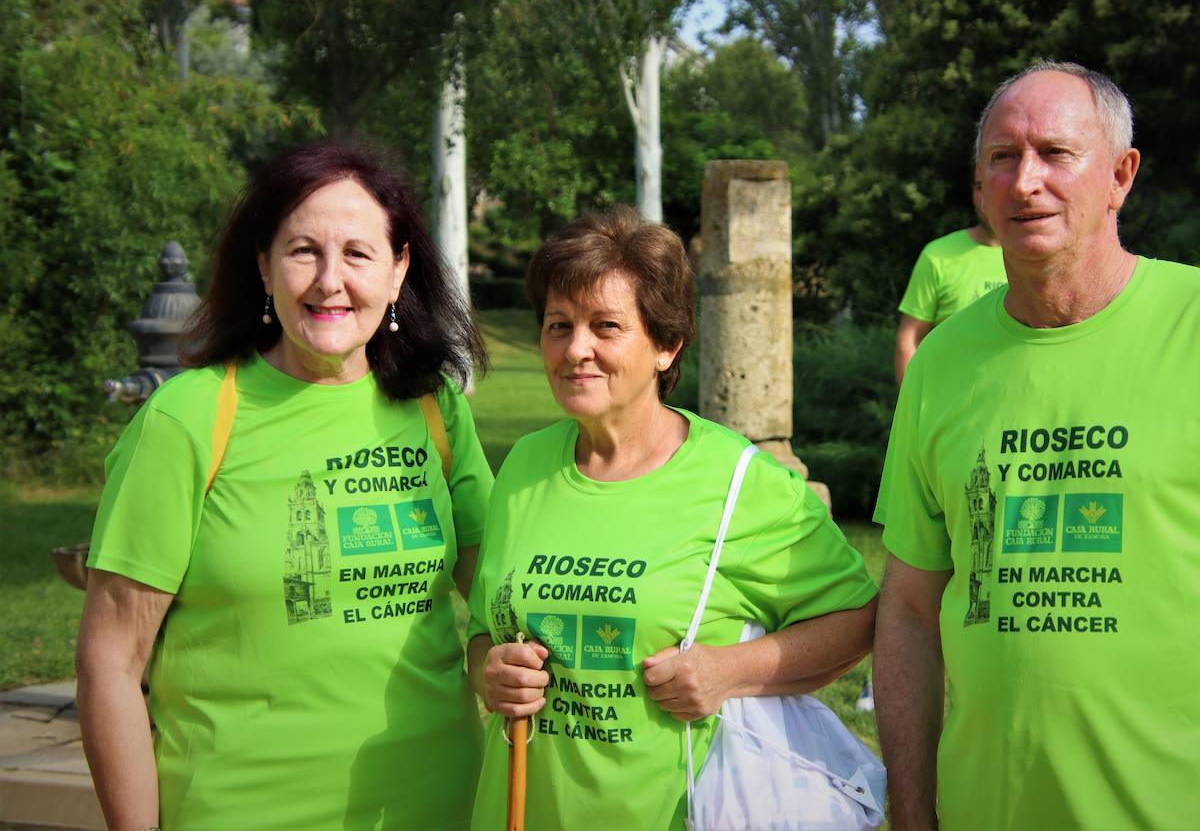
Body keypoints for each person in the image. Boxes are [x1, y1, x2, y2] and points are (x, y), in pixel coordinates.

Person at [873, 61, 1200, 830]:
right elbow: (908, 611)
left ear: (1120, 175)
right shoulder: (941, 362)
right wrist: (911, 815)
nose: (1025, 181)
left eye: (1054, 153)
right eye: (1002, 158)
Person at [76, 140, 494, 829]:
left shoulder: (434, 408)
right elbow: (109, 664)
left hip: (435, 808)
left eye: (358, 254)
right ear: (264, 267)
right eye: (304, 251)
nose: (331, 281)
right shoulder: (188, 418)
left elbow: (501, 593)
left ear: (399, 272)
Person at [465, 207, 878, 830]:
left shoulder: (738, 481)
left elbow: (857, 619)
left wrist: (727, 672)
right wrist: (488, 672)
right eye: (558, 325)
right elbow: (481, 632)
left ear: (666, 344)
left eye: (606, 326)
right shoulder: (524, 465)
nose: (577, 349)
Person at [892, 174, 1005, 384]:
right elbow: (910, 338)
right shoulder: (938, 255)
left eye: (995, 183)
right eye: (980, 186)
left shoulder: (1042, 255)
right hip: (952, 408)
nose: (986, 196)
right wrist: (914, 409)